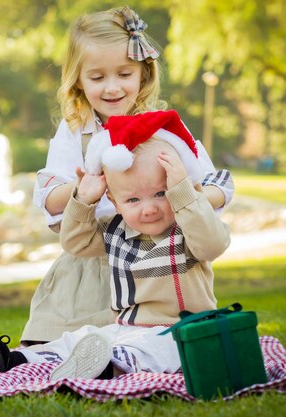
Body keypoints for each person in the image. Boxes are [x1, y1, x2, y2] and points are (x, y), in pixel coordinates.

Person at [0, 110, 231, 380]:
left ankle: (104, 368)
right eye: (133, 200)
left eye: (161, 193)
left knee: (153, 348)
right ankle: (11, 360)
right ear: (113, 200)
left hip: (185, 330)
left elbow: (212, 245)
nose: (148, 209)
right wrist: (84, 200)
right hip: (125, 326)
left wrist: (184, 193)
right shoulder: (116, 231)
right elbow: (75, 242)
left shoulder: (188, 226)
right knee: (84, 337)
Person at [21, 6, 234, 345]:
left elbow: (217, 184)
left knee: (141, 341)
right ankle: (14, 359)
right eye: (97, 77)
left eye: (124, 74)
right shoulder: (76, 130)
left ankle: (107, 362)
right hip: (93, 252)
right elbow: (49, 194)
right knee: (58, 337)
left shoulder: (163, 129)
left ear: (143, 75)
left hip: (157, 255)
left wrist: (183, 196)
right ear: (77, 79)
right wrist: (86, 187)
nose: (112, 88)